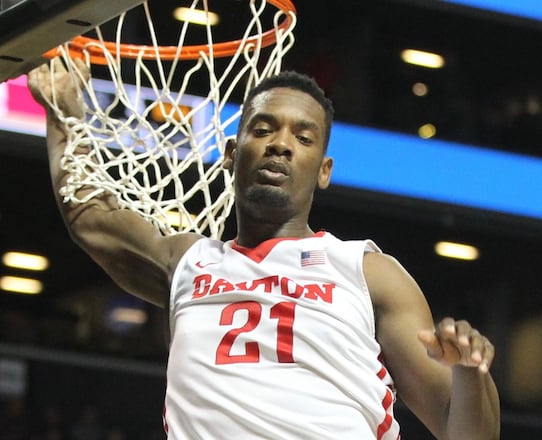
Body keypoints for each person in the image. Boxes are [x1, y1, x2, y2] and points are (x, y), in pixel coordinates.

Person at [27, 58, 500, 439]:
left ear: (324, 170)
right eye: (262, 129)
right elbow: (92, 219)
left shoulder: (366, 271)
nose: (281, 145)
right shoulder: (188, 261)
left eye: (303, 136)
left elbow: (465, 430)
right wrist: (63, 111)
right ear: (232, 155)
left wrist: (470, 373)